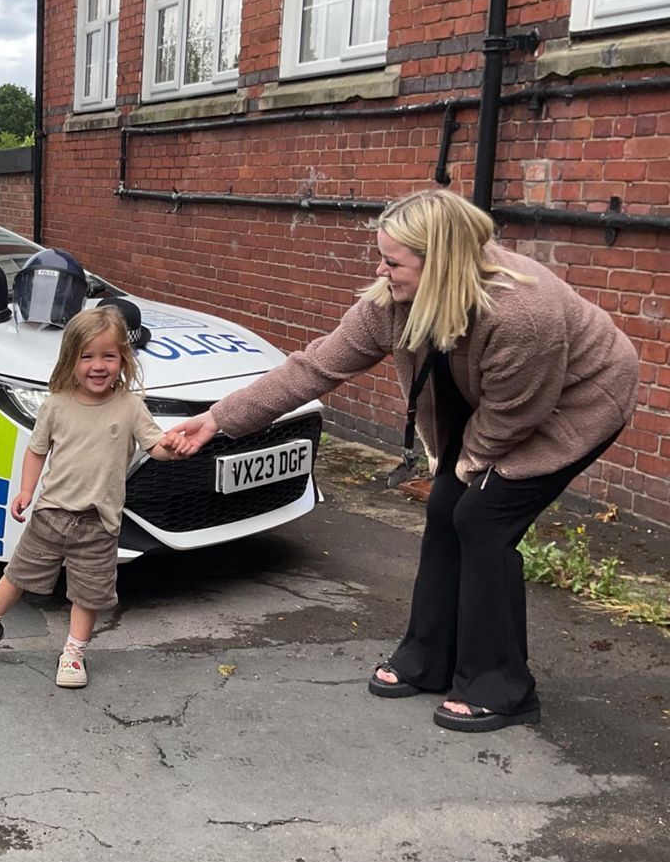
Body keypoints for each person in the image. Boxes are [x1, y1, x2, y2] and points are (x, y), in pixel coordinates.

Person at [164, 189, 639, 733]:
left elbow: (514, 417)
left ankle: (501, 687)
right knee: (445, 512)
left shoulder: (522, 315)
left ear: (440, 265)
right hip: (493, 397)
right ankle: (428, 658)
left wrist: (463, 469)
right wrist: (217, 420)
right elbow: (313, 368)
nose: (380, 269)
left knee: (480, 523)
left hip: (573, 403)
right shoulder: (389, 303)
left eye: (393, 261)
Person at [0, 307, 176, 687]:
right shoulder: (56, 403)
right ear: (70, 359)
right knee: (16, 574)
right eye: (87, 356)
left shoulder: (131, 406)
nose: (98, 365)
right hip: (51, 512)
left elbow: (155, 446)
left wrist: (175, 447)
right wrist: (25, 489)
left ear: (123, 359)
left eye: (109, 356)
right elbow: (37, 450)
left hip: (99, 521)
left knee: (87, 593)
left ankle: (73, 653)